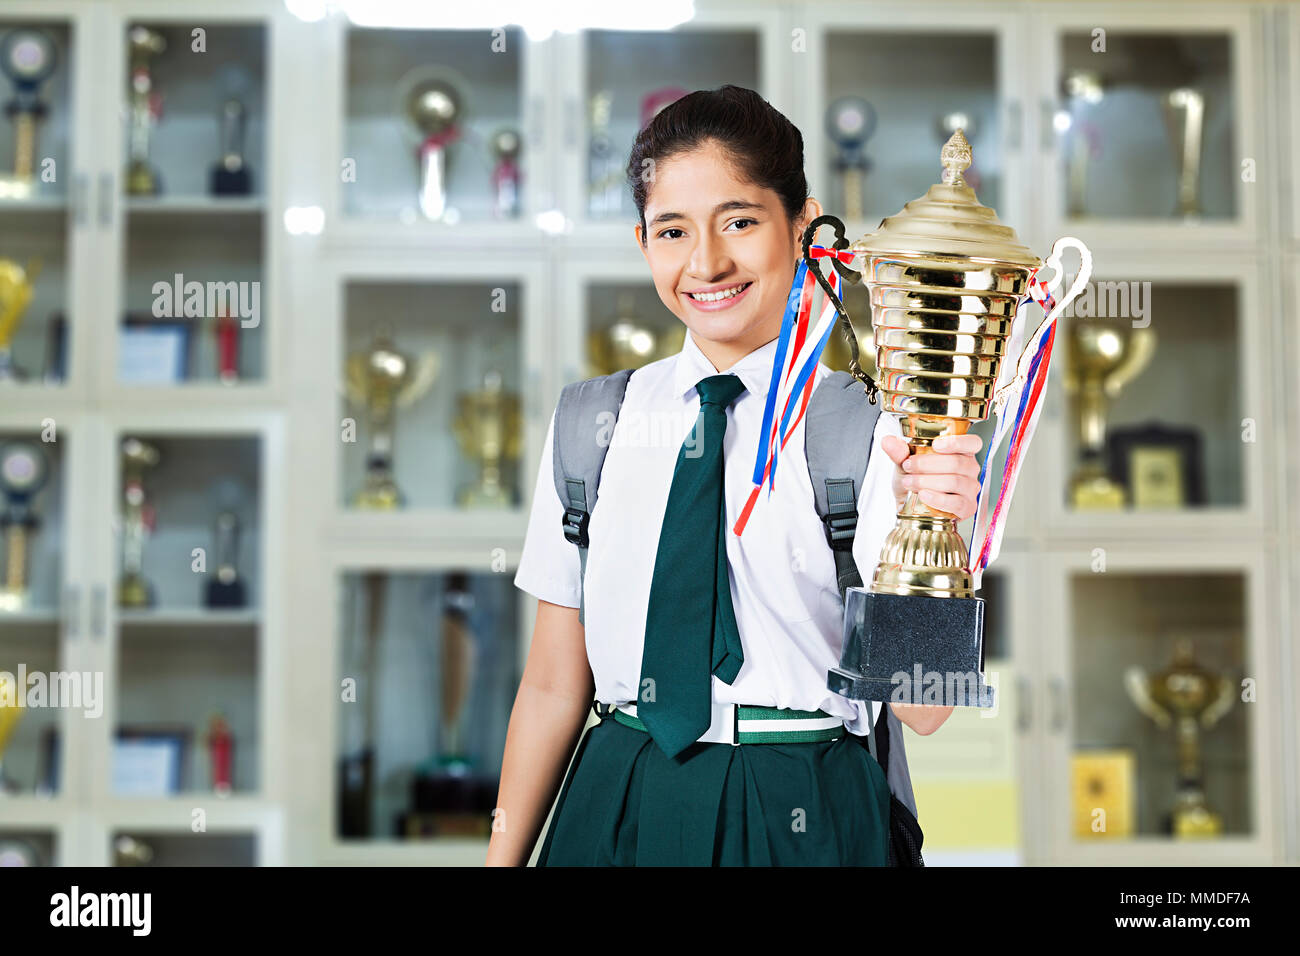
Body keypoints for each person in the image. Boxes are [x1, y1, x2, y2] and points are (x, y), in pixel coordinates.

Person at [485, 85, 983, 867]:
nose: (706, 263)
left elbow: (923, 709)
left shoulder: (876, 431)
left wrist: (941, 527)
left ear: (803, 226)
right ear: (643, 243)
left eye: (740, 222)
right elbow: (553, 685)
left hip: (807, 809)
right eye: (672, 231)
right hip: (618, 796)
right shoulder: (591, 423)